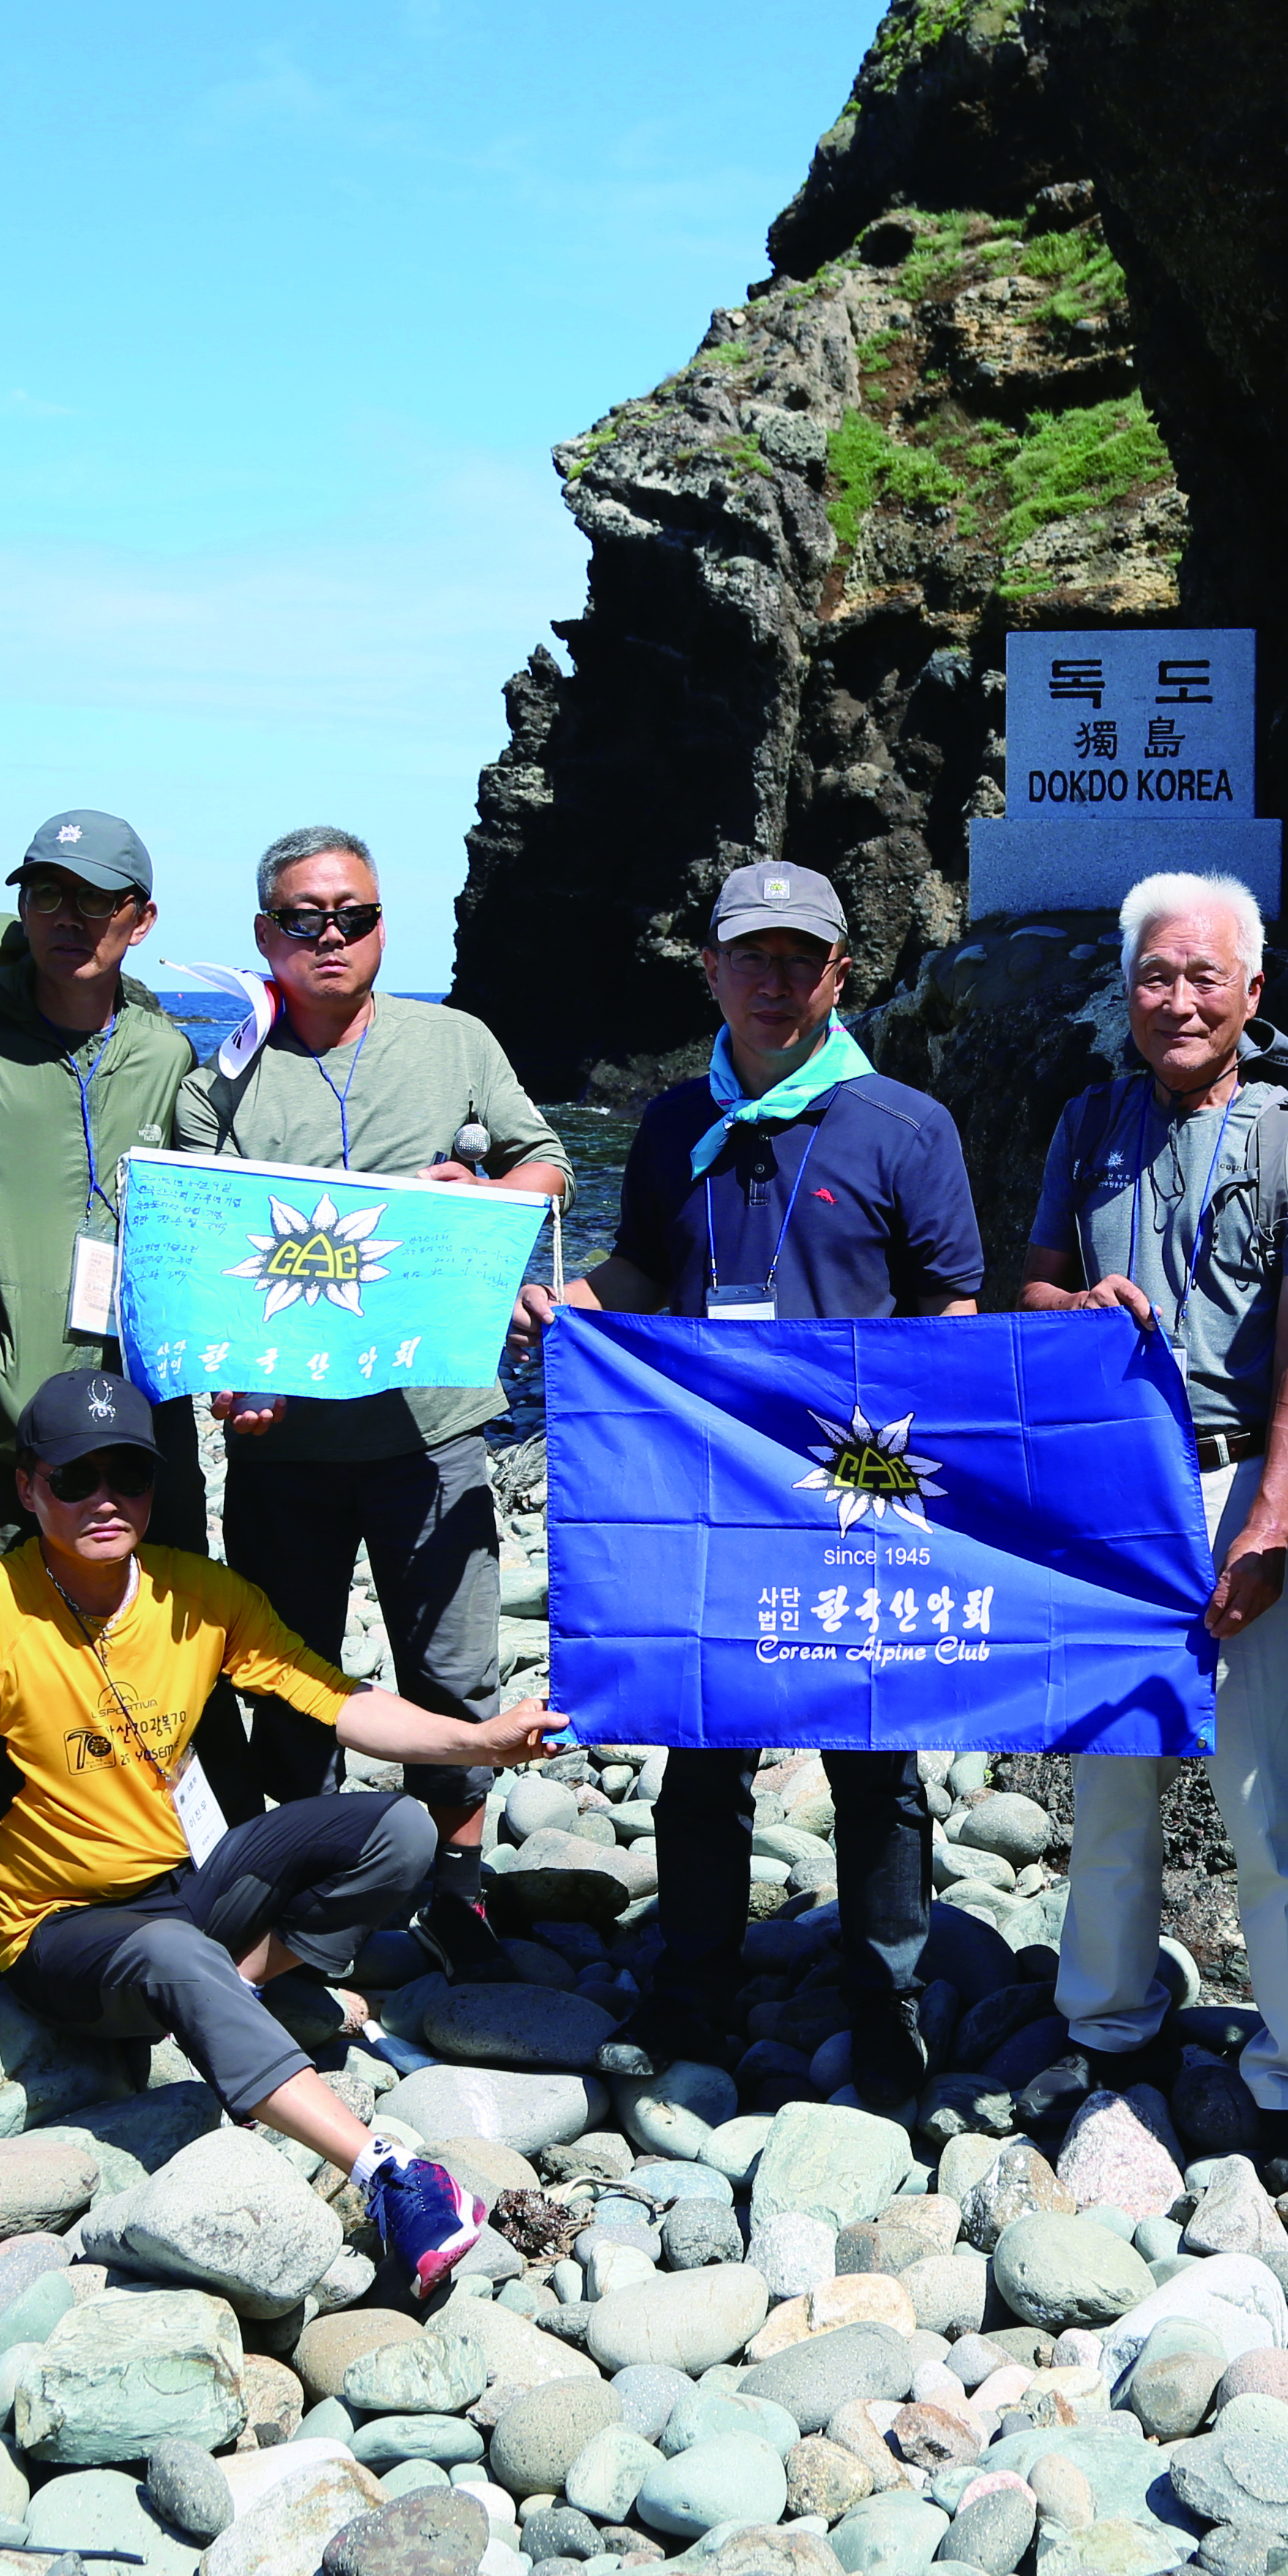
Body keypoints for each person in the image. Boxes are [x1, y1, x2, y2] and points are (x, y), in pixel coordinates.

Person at [0, 1370, 547, 2294]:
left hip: (185, 1885)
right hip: (60, 1928)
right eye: (75, 1480)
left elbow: (335, 1700)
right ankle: (388, 2173)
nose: (106, 1500)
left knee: (401, 1833)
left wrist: (480, 1740)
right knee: (174, 1956)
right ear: (28, 1488)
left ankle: (234, 1993)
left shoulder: (196, 1594)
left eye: (130, 1476)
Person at [520, 861, 986, 2099]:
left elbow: (952, 1302)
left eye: (802, 958)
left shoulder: (905, 1124)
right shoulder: (676, 1123)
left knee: (875, 1752)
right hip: (708, 1491)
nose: (776, 981)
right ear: (712, 969)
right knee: (702, 1737)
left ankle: (886, 1995)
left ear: (841, 973)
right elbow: (636, 1270)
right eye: (752, 956)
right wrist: (575, 1307)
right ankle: (694, 1988)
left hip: (856, 1490)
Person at [171, 826, 567, 1958]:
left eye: (353, 915)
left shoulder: (457, 1043)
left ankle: (458, 1884)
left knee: (452, 1671)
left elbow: (549, 1166)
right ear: (265, 937)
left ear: (386, 925)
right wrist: (225, 1379)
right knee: (293, 1681)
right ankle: (308, 1898)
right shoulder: (223, 1081)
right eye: (304, 920)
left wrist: (489, 1192)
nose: (330, 936)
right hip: (283, 1451)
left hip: (435, 1430)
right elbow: (203, 1258)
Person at [1019, 871, 1288, 2173]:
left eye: (1204, 977)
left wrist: (1272, 1518)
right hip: (1108, 1492)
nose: (1176, 1000)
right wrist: (1069, 1310)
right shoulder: (1086, 1122)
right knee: (1108, 1780)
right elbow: (1033, 1283)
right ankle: (1106, 2024)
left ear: (1252, 992)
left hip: (1237, 1483)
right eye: (1155, 976)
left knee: (1272, 1790)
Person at [0, 812, 214, 1580]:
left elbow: (199, 1222)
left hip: (141, 1428)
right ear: (21, 909)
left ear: (140, 921)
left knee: (172, 1655)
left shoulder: (164, 1054)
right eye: (47, 894)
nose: (68, 919)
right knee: (3, 1667)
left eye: (97, 900)